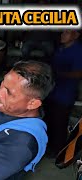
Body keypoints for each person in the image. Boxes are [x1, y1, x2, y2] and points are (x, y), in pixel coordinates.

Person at [44, 29, 82, 157]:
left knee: (60, 124)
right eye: (62, 32)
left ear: (75, 35)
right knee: (49, 120)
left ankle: (58, 152)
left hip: (65, 94)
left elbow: (78, 73)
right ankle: (49, 147)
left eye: (66, 33)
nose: (62, 35)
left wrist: (59, 74)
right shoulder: (60, 49)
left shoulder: (78, 51)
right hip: (52, 92)